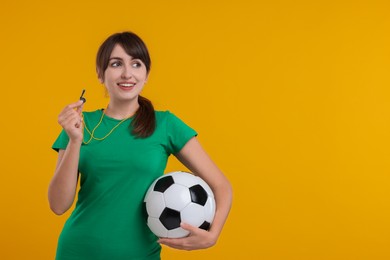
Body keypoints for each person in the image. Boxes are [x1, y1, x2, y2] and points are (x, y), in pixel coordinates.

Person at [48, 31, 232, 260]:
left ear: (146, 74)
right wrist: (75, 139)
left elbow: (222, 186)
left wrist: (212, 235)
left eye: (136, 64)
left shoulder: (165, 124)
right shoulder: (79, 124)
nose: (127, 73)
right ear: (100, 73)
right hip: (77, 251)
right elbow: (58, 205)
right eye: (116, 64)